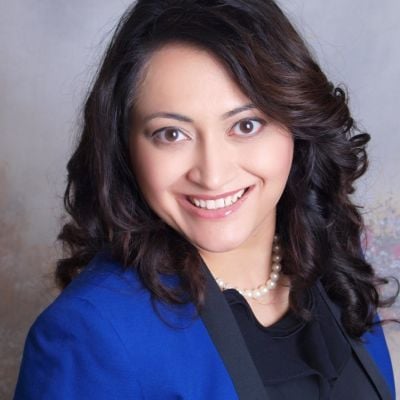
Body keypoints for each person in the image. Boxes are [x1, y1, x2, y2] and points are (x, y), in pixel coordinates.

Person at [14, 1, 398, 399]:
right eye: (171, 134)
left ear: (297, 124)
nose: (212, 175)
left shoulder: (334, 267)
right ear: (124, 147)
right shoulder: (90, 334)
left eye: (246, 125)